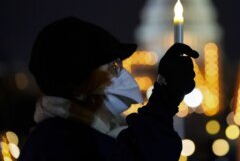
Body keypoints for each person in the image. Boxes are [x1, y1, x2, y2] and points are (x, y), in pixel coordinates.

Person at [19, 16, 199, 161]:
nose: (121, 73)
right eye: (112, 67)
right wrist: (165, 97)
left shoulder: (71, 136)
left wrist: (165, 96)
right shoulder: (61, 145)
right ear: (79, 85)